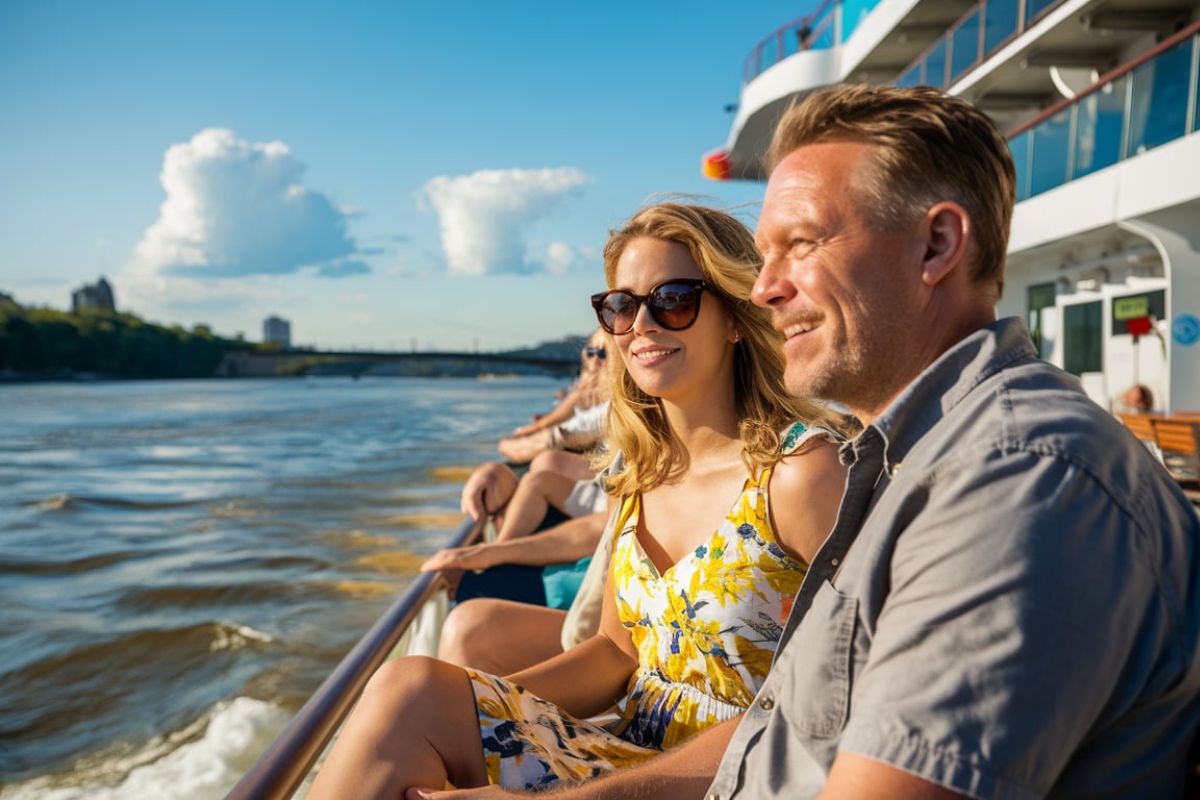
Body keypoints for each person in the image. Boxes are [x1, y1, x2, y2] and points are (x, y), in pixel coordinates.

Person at [414, 84, 1200, 800]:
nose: (763, 287)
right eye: (765, 256)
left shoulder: (1016, 481)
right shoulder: (906, 461)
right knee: (409, 695)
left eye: (802, 243)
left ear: (936, 248)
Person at [308, 202, 852, 799]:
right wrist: (487, 704)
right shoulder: (642, 475)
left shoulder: (800, 475)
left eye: (673, 299)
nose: (642, 325)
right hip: (632, 754)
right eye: (621, 306)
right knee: (410, 689)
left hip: (741, 778)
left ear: (733, 316)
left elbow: (842, 706)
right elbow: (617, 654)